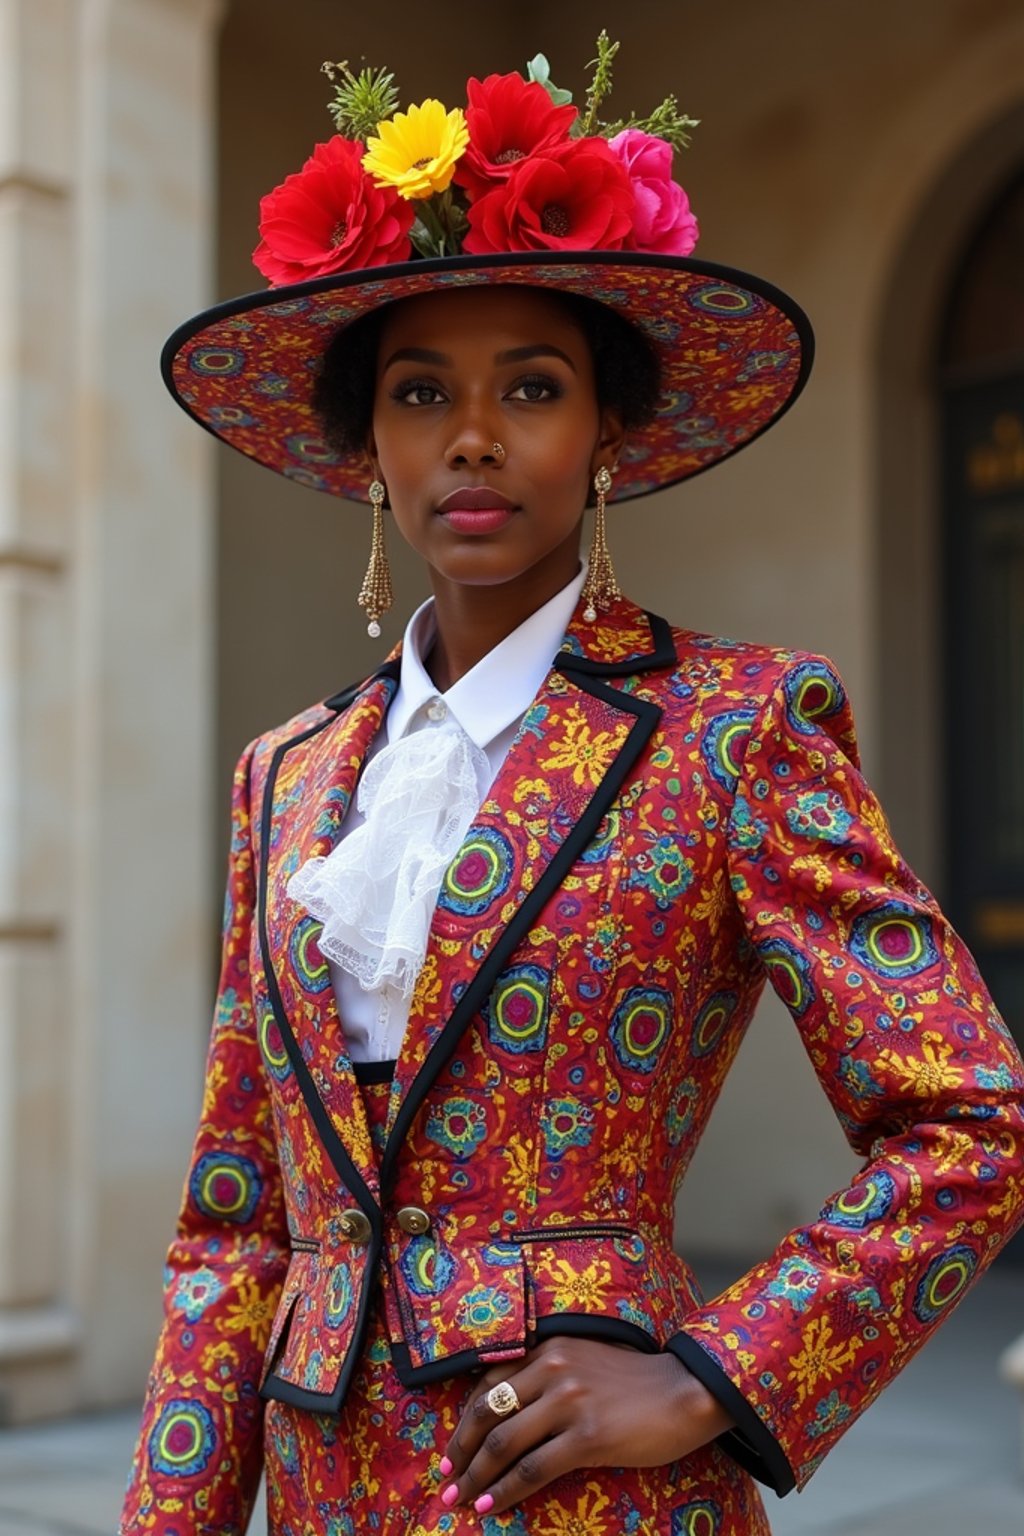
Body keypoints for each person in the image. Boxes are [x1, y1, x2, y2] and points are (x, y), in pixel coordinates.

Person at [121, 51, 1024, 1536]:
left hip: (596, 1498)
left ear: (606, 435)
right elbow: (238, 1229)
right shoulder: (282, 776)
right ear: (370, 451)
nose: (474, 436)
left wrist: (714, 1376)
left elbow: (967, 1123)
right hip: (324, 1498)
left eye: (531, 388)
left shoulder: (734, 730)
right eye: (424, 394)